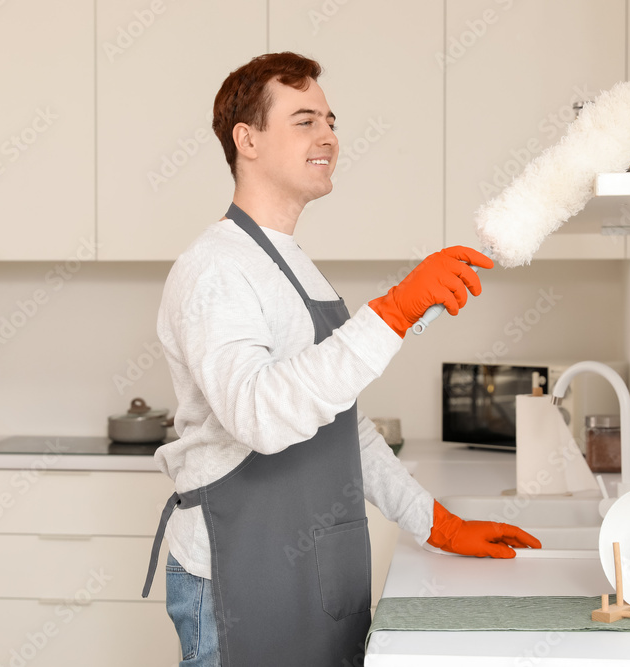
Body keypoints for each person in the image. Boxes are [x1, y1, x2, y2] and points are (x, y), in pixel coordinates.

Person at [142, 52, 541, 667]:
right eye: (304, 120)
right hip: (240, 575)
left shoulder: (296, 264)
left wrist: (435, 523)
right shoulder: (215, 268)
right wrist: (396, 310)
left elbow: (341, 428)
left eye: (330, 119)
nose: (328, 135)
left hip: (314, 571)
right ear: (246, 140)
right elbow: (258, 415)